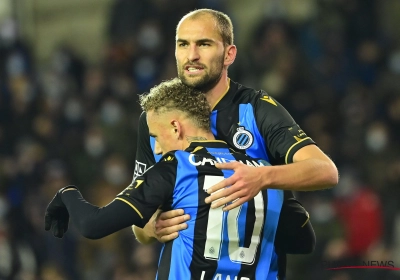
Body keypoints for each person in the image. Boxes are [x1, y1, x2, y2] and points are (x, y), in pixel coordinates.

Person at [132, 8, 338, 275]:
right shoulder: (156, 117)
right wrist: (151, 226)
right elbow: (139, 217)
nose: (191, 55)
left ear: (229, 54)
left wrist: (262, 177)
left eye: (204, 44)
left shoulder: (257, 109)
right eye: (183, 44)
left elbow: (326, 171)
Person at [45, 78, 285, 279]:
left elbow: (93, 225)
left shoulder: (177, 167)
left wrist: (67, 195)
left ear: (175, 128)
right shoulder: (264, 173)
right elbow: (302, 240)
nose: (157, 149)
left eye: (156, 137)